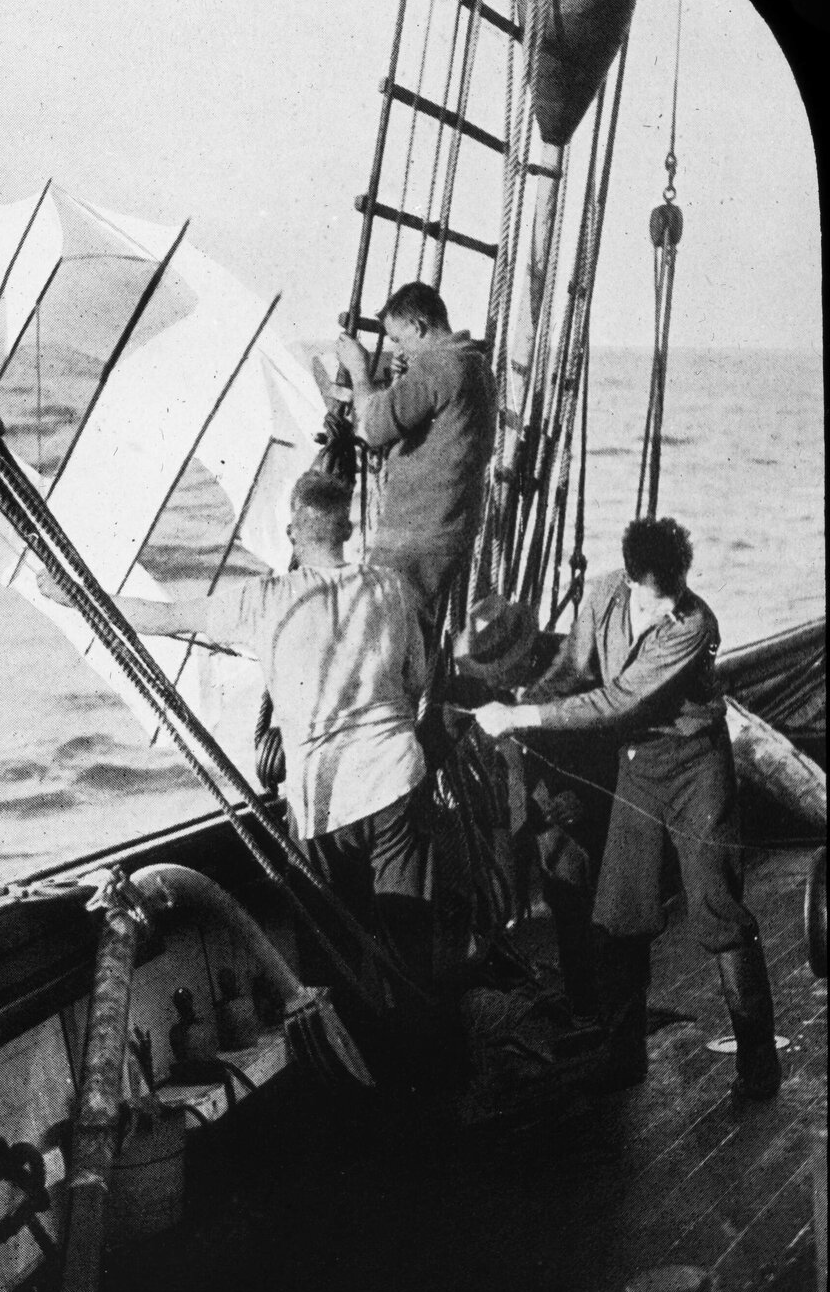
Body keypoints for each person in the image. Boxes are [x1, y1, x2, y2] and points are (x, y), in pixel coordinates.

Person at [39, 469, 433, 987]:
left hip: (324, 802)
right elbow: (416, 682)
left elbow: (164, 617)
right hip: (395, 780)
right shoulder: (391, 587)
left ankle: (351, 1035)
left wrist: (74, 595)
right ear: (348, 530)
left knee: (332, 961)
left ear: (292, 533)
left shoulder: (264, 599)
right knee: (411, 943)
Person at [471, 517, 782, 1102]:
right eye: (658, 599)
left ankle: (759, 1064)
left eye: (678, 595)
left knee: (716, 907)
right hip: (638, 766)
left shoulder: (695, 624)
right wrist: (524, 705)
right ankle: (622, 1056)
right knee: (619, 910)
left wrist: (520, 717)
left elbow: (619, 701)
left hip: (696, 766)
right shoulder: (604, 595)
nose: (671, 608)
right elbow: (574, 670)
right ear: (633, 580)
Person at [335, 281, 496, 630]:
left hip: (415, 537)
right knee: (413, 635)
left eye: (399, 339)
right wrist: (403, 382)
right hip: (448, 531)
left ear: (420, 326)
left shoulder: (437, 366)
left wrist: (360, 370)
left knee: (380, 632)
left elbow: (372, 427)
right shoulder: (475, 364)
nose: (399, 349)